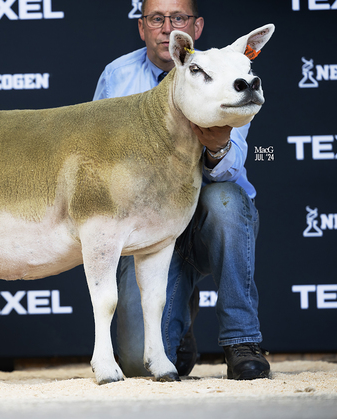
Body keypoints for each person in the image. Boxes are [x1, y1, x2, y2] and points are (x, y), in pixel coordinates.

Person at [93, 0, 270, 380]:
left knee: (225, 200)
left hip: (207, 217)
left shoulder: (228, 70)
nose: (167, 27)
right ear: (142, 27)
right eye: (157, 18)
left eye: (178, 18)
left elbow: (233, 166)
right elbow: (97, 154)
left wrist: (217, 144)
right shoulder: (116, 76)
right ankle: (178, 332)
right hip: (145, 227)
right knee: (138, 364)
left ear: (196, 26)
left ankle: (242, 340)